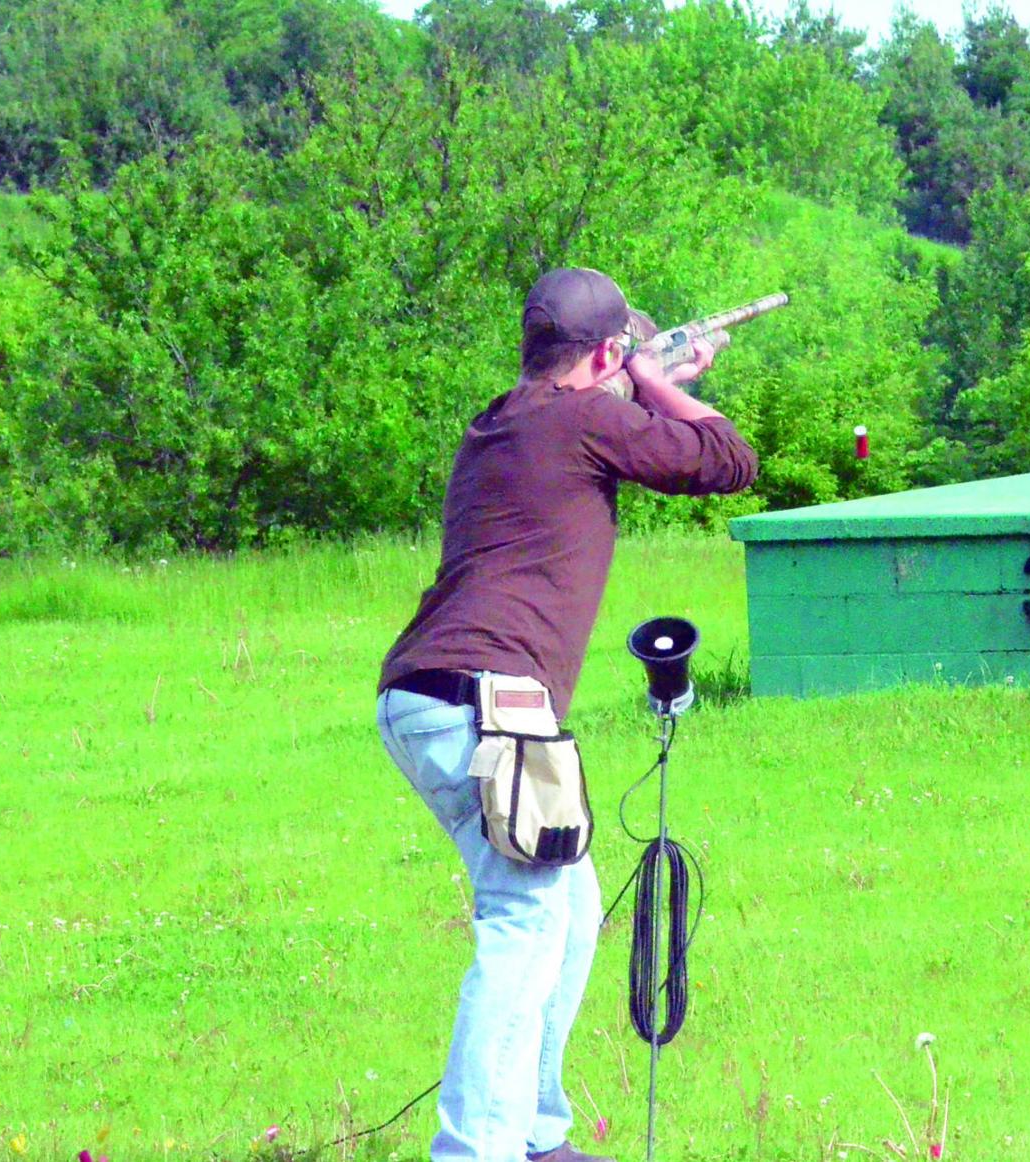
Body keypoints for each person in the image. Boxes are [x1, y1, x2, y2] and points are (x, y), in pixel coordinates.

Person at [375, 267, 758, 1162]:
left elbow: (601, 422)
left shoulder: (499, 422)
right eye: (622, 354)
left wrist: (641, 376)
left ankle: (539, 1135)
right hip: (489, 702)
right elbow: (725, 461)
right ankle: (476, 1152)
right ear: (606, 355)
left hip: (431, 696)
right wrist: (662, 383)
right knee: (522, 924)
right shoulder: (587, 414)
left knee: (570, 906)